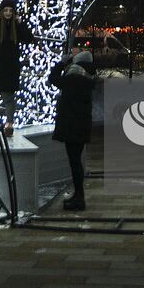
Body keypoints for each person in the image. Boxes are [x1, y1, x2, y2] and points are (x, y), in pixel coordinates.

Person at [50, 45, 96, 211]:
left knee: (75, 162)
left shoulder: (74, 78)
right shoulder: (88, 77)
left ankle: (79, 197)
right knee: (76, 161)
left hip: (72, 125)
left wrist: (61, 64)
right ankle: (78, 195)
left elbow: (53, 79)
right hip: (81, 125)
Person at [0, 0, 35, 136]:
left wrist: (21, 23)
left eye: (11, 10)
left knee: (8, 98)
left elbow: (29, 38)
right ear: (1, 11)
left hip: (9, 68)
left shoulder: (16, 26)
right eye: (5, 10)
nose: (8, 13)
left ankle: (9, 124)